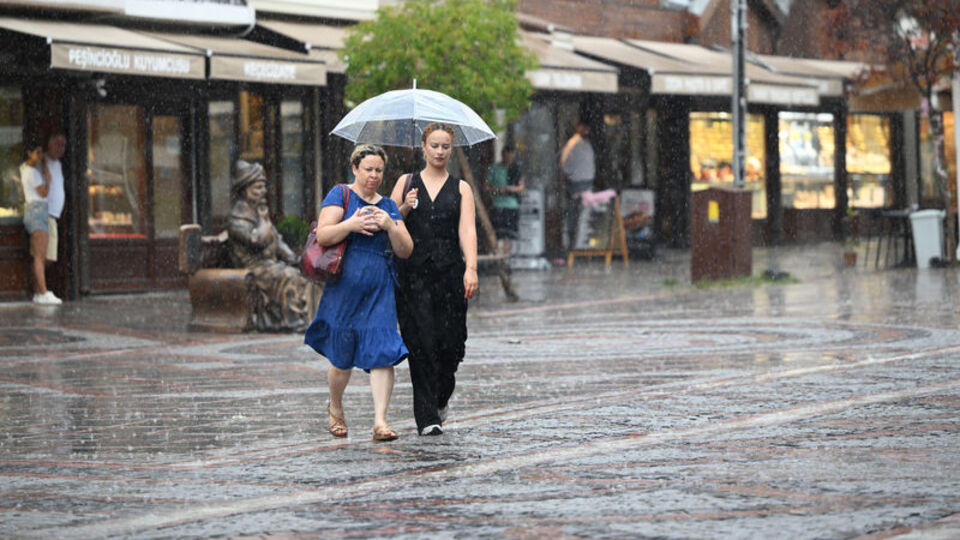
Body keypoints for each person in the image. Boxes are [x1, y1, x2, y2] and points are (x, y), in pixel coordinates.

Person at [304, 145, 413, 442]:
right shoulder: (341, 194)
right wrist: (351, 224)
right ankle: (336, 405)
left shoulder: (389, 205)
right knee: (342, 356)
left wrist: (391, 224)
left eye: (379, 170)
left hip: (380, 286)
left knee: (382, 351)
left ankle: (380, 421)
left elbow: (405, 249)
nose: (374, 175)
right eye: (368, 170)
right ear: (355, 169)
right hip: (344, 286)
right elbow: (324, 234)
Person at [390, 122, 479, 436]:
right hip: (413, 274)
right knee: (421, 342)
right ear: (424, 147)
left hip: (450, 273)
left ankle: (441, 398)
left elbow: (467, 230)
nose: (440, 152)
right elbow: (390, 223)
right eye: (434, 146)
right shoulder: (406, 183)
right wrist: (405, 206)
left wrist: (471, 268)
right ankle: (427, 416)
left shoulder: (461, 188)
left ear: (450, 149)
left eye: (445, 147)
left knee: (451, 346)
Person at [226, 160, 316, 332]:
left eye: (263, 188)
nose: (262, 192)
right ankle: (291, 321)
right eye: (257, 188)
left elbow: (277, 240)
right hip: (253, 268)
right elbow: (256, 241)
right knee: (288, 276)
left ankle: (307, 318)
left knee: (304, 274)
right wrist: (264, 222)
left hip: (270, 265)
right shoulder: (237, 219)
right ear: (244, 190)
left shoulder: (261, 213)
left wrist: (293, 258)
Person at [20, 141, 60, 305]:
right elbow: (43, 192)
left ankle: (38, 291)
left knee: (40, 256)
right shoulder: (32, 172)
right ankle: (42, 291)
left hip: (35, 210)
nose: (40, 156)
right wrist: (48, 179)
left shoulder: (25, 169)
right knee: (40, 256)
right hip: (37, 210)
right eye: (37, 152)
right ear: (29, 153)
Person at [560, 121, 595, 250]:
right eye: (584, 127)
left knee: (582, 215)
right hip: (577, 183)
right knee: (577, 215)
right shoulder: (573, 144)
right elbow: (565, 165)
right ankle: (574, 244)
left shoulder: (585, 143)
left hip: (585, 183)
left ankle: (579, 244)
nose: (586, 130)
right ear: (578, 127)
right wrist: (569, 176)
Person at [484, 144, 525, 256]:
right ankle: (495, 253)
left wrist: (510, 189)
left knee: (509, 234)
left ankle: (506, 256)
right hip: (497, 205)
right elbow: (486, 186)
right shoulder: (494, 168)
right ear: (503, 155)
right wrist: (496, 190)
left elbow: (521, 187)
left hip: (512, 205)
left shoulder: (515, 169)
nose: (509, 159)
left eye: (511, 157)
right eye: (507, 156)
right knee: (496, 232)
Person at [44, 134, 66, 271]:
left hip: (53, 216)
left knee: (50, 256)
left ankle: (41, 289)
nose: (60, 148)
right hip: (45, 214)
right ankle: (39, 290)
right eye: (57, 144)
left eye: (63, 145)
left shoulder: (58, 165)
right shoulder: (42, 162)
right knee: (45, 257)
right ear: (49, 144)